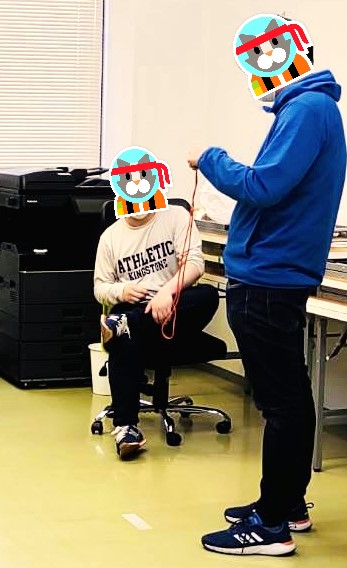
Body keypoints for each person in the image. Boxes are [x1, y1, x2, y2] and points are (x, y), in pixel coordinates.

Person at [189, 64, 346, 556]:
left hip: (267, 280)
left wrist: (211, 159)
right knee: (290, 399)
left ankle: (271, 525)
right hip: (277, 276)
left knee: (281, 405)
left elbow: (263, 186)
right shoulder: (313, 107)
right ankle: (285, 504)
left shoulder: (307, 109)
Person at [94, 204, 217, 459]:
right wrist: (122, 290)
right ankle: (126, 429)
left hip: (175, 309)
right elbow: (100, 287)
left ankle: (128, 323)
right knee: (124, 338)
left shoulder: (176, 217)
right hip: (135, 309)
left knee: (207, 295)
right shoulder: (110, 237)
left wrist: (166, 293)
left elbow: (195, 264)